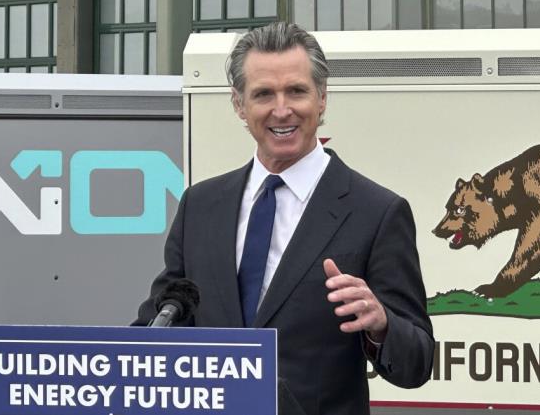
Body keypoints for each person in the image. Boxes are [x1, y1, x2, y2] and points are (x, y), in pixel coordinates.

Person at [134, 22, 434, 415]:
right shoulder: (200, 206)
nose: (282, 109)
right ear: (239, 105)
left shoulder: (377, 212)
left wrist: (381, 325)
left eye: (296, 91)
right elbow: (161, 319)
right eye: (263, 94)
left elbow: (418, 361)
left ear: (322, 98)